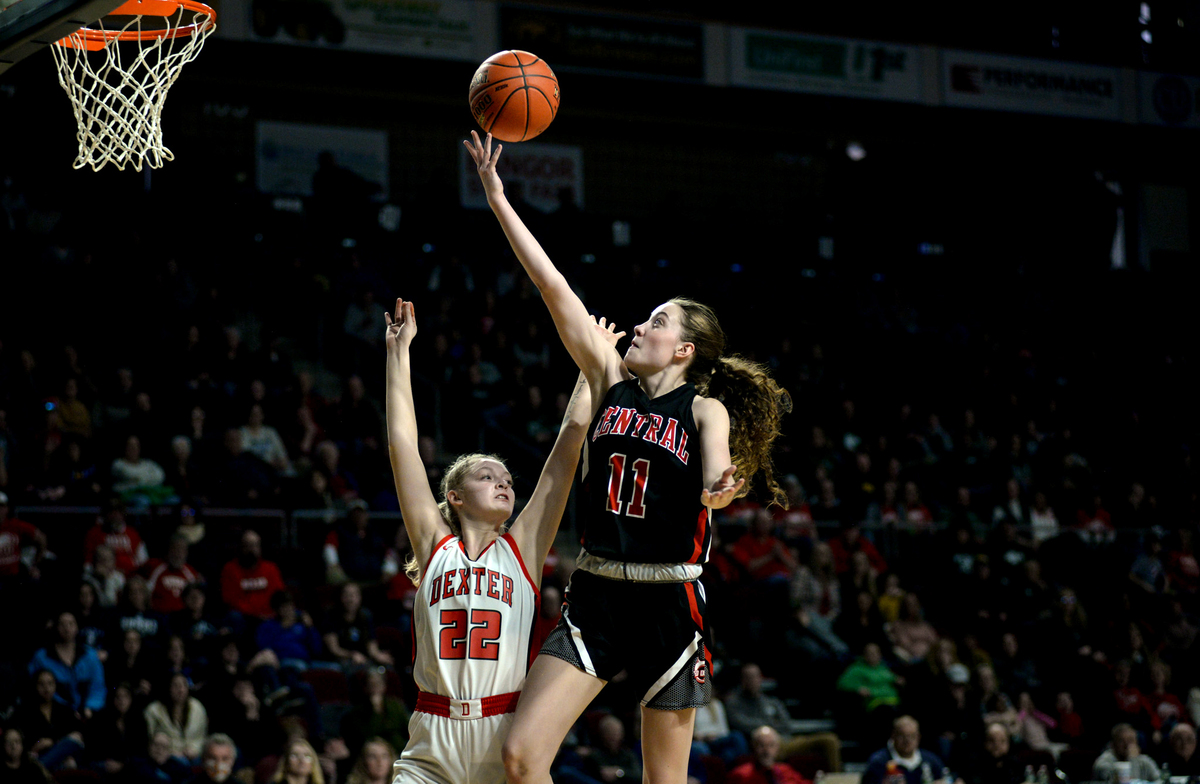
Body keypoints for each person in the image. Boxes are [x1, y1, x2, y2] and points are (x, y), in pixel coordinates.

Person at [466, 131, 790, 784]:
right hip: (596, 594)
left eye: (657, 322)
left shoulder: (704, 410)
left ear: (684, 351)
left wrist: (721, 487)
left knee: (661, 781)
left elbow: (716, 475)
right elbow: (553, 286)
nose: (639, 327)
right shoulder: (607, 377)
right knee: (521, 757)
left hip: (671, 600)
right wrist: (499, 199)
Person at [384, 295, 603, 784]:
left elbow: (568, 444)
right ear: (455, 497)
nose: (504, 483)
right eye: (488, 476)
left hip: (503, 731)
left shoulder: (523, 549)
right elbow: (402, 444)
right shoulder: (434, 544)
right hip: (431, 735)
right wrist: (399, 356)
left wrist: (591, 368)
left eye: (507, 479)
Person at [28, 611, 107, 718]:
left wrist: (89, 707)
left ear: (77, 627)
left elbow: (98, 687)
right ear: (55, 627)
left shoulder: (90, 655)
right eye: (62, 624)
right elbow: (36, 688)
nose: (67, 628)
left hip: (89, 713)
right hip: (55, 714)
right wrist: (66, 711)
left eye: (71, 624)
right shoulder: (41, 657)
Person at [220, 529, 285, 623]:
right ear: (241, 547)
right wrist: (255, 615)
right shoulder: (230, 569)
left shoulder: (271, 568)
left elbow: (279, 595)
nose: (251, 549)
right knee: (234, 616)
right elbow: (230, 599)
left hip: (269, 616)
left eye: (255, 545)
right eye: (247, 545)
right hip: (245, 617)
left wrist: (269, 614)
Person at [144, 672, 208, 762]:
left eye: (184, 685)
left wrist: (195, 749)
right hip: (165, 756)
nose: (181, 690)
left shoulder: (197, 707)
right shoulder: (154, 710)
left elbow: (201, 736)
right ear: (168, 688)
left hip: (193, 755)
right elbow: (151, 738)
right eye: (176, 686)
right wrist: (171, 752)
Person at [862, 716, 946, 784]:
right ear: (893, 736)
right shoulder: (879, 761)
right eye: (902, 736)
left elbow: (946, 778)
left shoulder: (931, 760)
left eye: (912, 736)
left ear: (919, 737)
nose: (907, 741)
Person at [728, 726, 809, 784]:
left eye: (771, 745)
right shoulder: (740, 775)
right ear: (753, 747)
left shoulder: (786, 770)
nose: (766, 750)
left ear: (777, 748)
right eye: (761, 745)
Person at [1093, 723, 1161, 783]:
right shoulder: (1104, 763)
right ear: (1113, 744)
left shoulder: (1144, 761)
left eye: (1131, 740)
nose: (1127, 745)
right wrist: (1132, 759)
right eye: (1121, 741)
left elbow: (1159, 779)